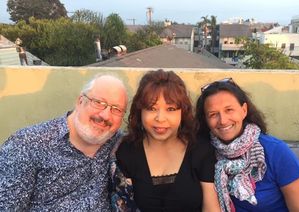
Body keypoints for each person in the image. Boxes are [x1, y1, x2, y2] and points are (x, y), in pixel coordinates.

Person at [0, 74, 128, 211]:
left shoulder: (118, 143)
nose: (105, 116)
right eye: (98, 103)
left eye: (116, 109)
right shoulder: (26, 145)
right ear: (80, 101)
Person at [195, 78, 299, 212]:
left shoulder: (275, 151)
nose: (223, 120)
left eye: (229, 110)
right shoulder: (205, 153)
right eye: (213, 114)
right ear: (205, 120)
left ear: (244, 110)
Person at [112, 69, 220, 212]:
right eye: (151, 108)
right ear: (140, 111)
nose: (160, 118)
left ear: (183, 112)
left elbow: (211, 208)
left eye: (170, 109)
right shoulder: (127, 151)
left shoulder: (201, 150)